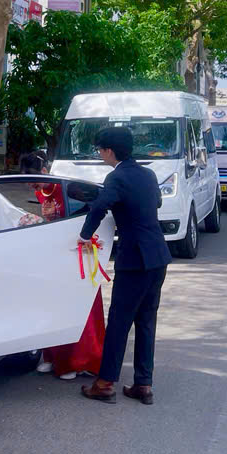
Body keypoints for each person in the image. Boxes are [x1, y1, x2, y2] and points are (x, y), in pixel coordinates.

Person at [78, 124, 170, 405]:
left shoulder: (116, 178)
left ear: (108, 150)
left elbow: (99, 207)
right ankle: (144, 384)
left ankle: (105, 383)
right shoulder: (148, 174)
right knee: (146, 321)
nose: (100, 155)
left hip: (134, 260)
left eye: (100, 150)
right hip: (158, 256)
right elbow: (156, 203)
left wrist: (84, 236)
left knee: (118, 322)